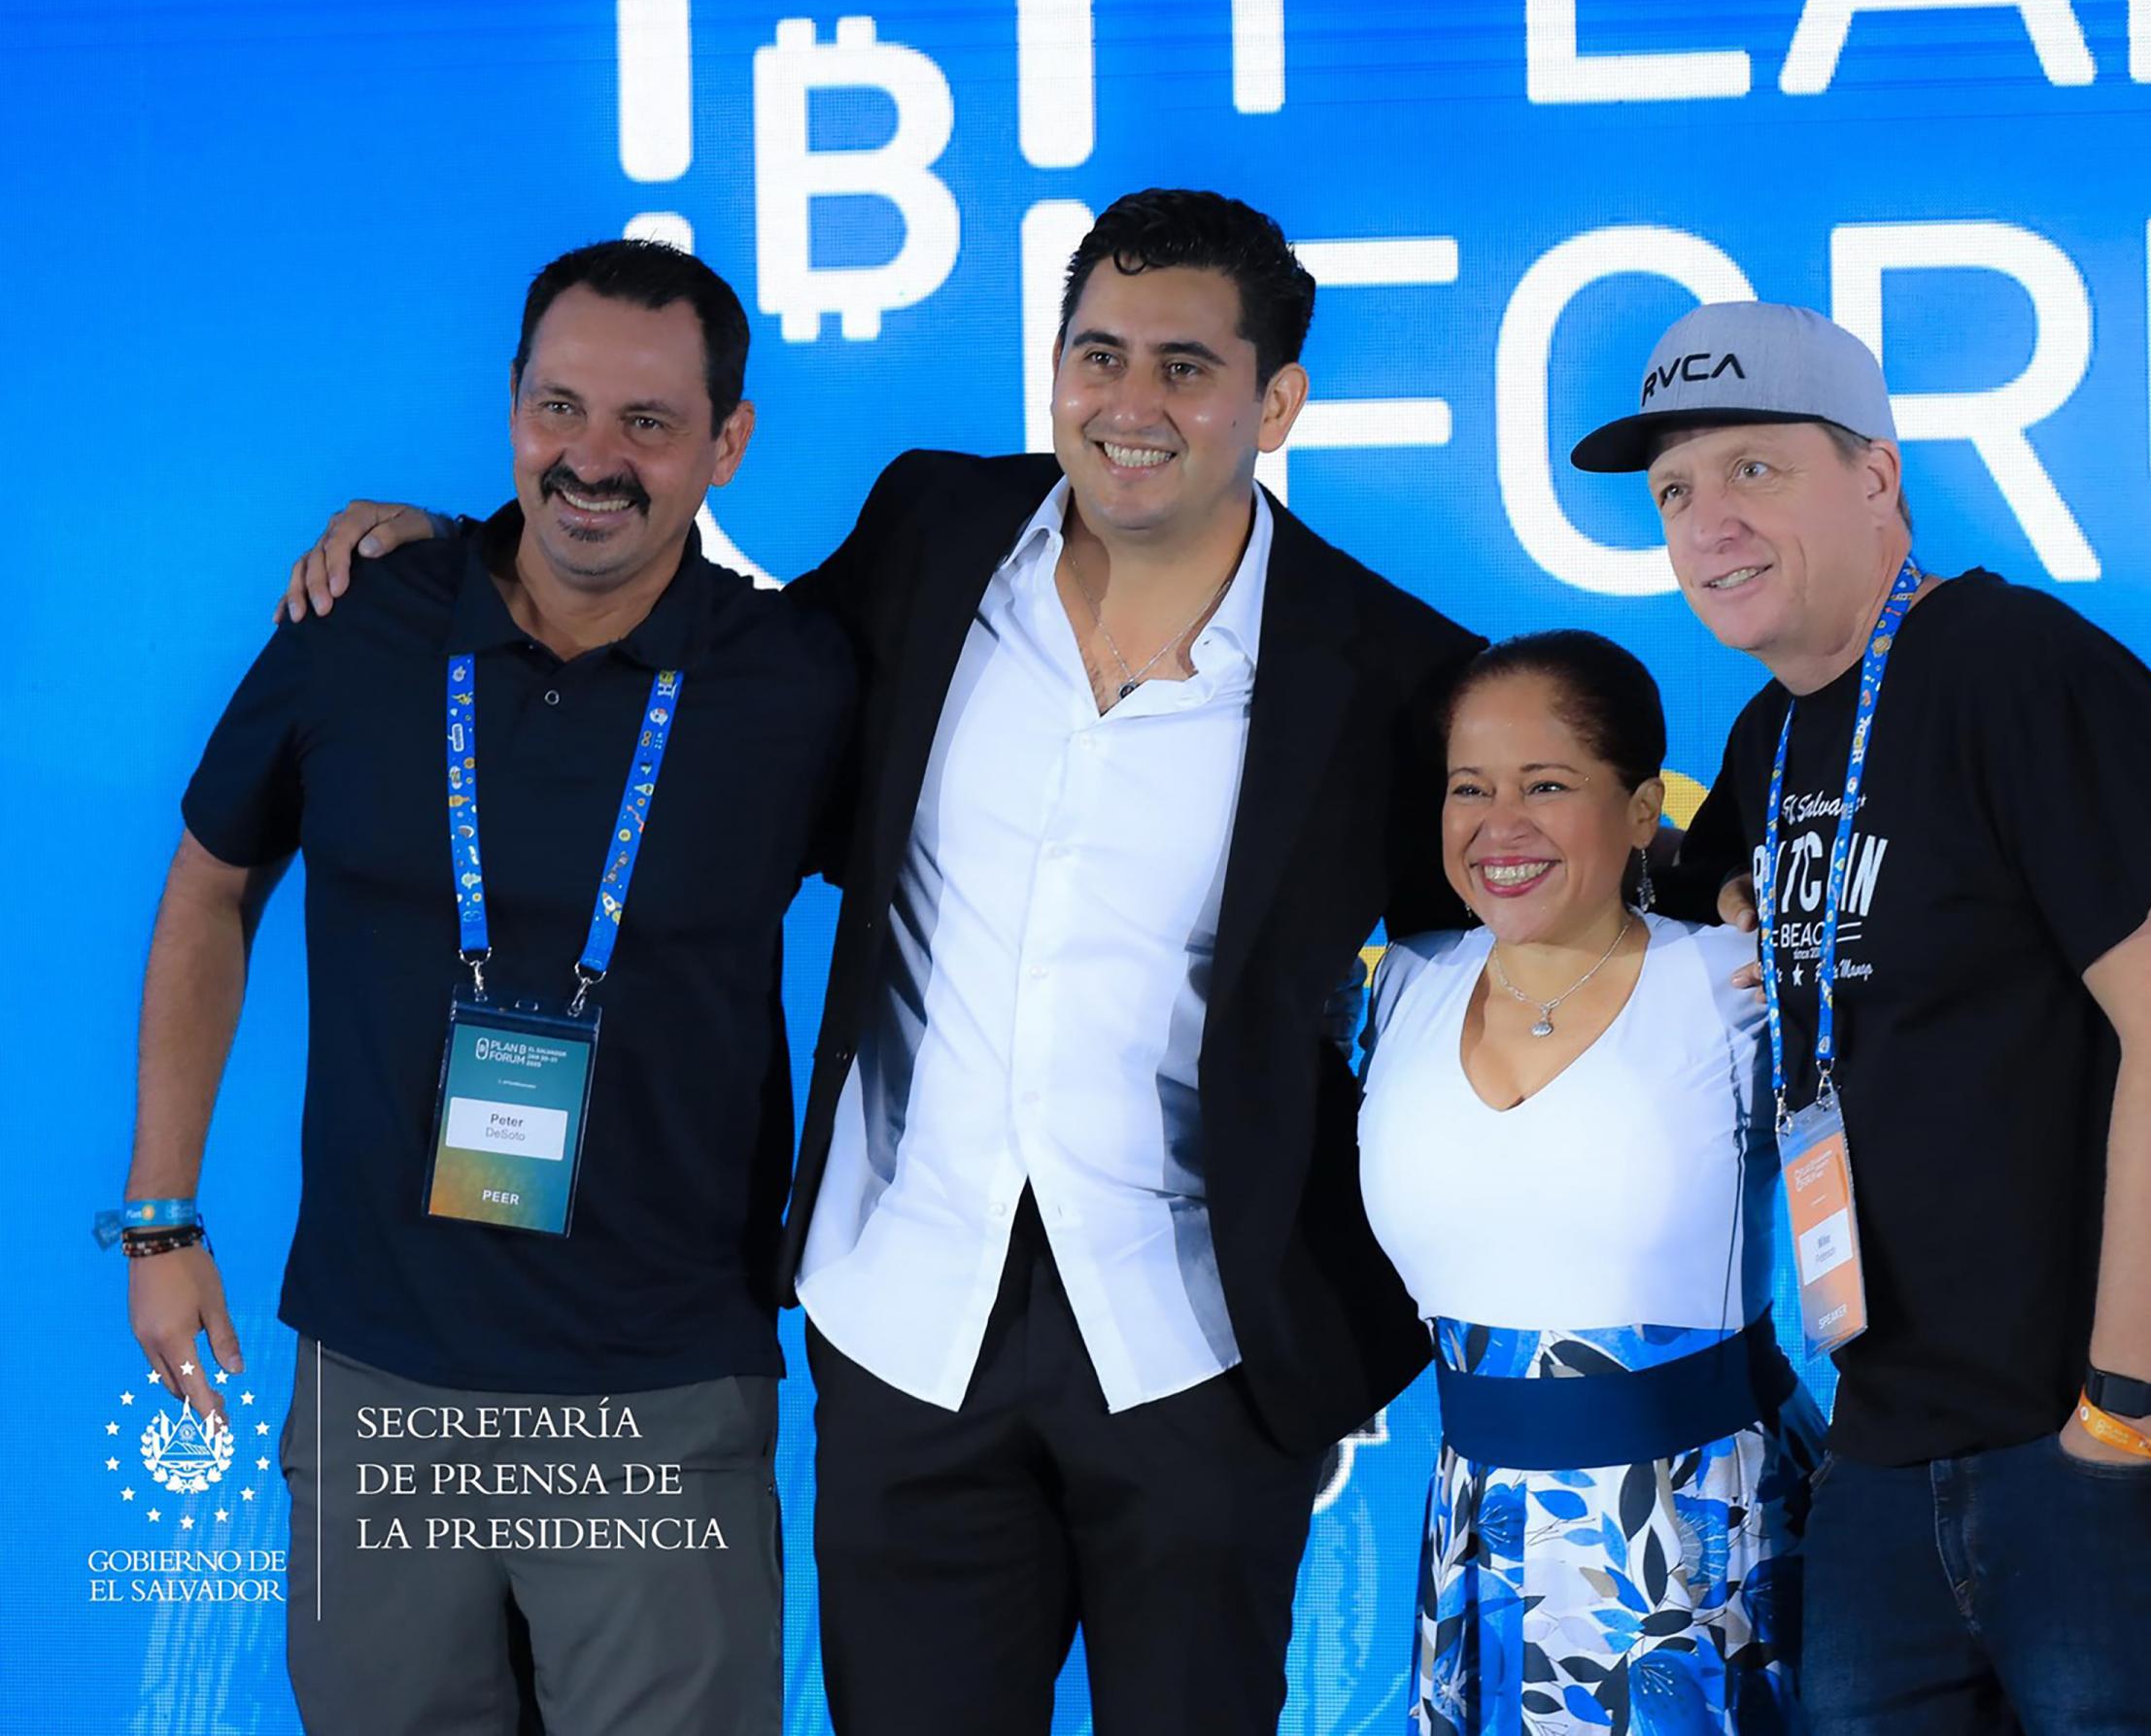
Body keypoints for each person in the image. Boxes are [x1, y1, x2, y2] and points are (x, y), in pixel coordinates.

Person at [285, 189, 1485, 1736]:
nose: (1130, 403)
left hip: (1198, 1343)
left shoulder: (1391, 671)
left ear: (1278, 399)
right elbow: (705, 662)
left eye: (1186, 367)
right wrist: (466, 555)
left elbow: (1528, 910)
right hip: (908, 1313)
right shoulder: (937, 531)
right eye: (1096, 353)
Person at [1569, 303, 2151, 1734]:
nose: (1708, 518)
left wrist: (2121, 1408)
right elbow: (1683, 921)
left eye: (1755, 468)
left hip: (2113, 1434)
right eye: (1676, 490)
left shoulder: (2023, 667)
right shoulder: (1771, 732)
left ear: (1877, 476)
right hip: (1889, 1451)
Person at [123, 239, 852, 1735]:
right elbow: (210, 883)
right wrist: (161, 1210)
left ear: (730, 442)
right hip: (382, 1371)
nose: (593, 458)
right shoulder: (363, 624)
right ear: (512, 403)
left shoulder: (802, 679)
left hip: (655, 1391)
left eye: (649, 423)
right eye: (557, 406)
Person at [1360, 631, 1820, 1736]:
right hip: (1474, 1527)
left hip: (1701, 1531)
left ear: (1642, 806)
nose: (1499, 824)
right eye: (1470, 787)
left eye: (1548, 785)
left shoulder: (1734, 983)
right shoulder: (1404, 986)